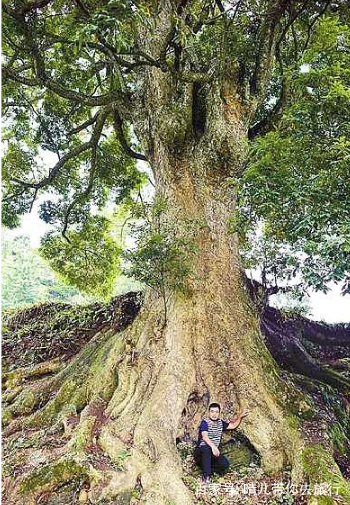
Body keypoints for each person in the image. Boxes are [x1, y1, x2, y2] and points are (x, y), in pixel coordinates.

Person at [194, 402, 249, 482]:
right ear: (209, 412)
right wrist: (213, 447)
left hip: (212, 454)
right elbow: (205, 437)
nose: (214, 414)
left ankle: (208, 470)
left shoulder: (220, 423)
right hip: (201, 452)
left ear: (219, 413)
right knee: (206, 449)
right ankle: (206, 477)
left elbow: (233, 426)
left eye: (216, 412)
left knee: (225, 464)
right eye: (212, 411)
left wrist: (240, 416)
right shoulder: (205, 422)